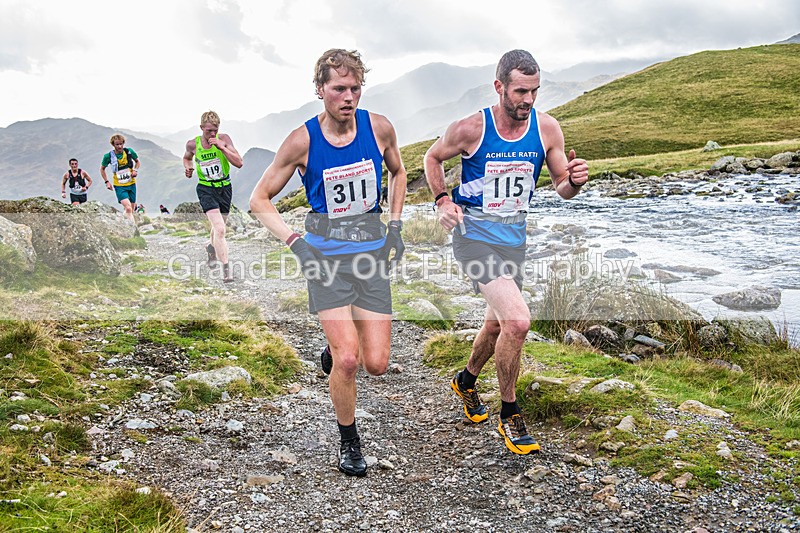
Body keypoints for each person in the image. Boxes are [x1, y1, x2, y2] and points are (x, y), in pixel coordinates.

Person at [424, 49, 589, 455]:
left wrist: (576, 182)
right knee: (517, 321)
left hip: (514, 241)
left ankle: (465, 381)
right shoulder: (470, 129)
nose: (528, 100)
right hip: (473, 237)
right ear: (499, 87)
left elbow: (560, 188)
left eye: (534, 91)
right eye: (520, 91)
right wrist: (443, 200)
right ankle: (510, 414)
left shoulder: (547, 129)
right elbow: (431, 157)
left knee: (498, 325)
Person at [250, 49, 407, 477]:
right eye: (339, 88)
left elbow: (398, 172)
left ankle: (333, 352)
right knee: (351, 361)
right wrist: (296, 242)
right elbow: (258, 200)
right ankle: (349, 441)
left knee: (376, 363)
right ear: (320, 90)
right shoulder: (302, 141)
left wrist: (394, 224)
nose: (349, 96)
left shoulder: (379, 128)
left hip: (371, 258)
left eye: (356, 88)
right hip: (325, 262)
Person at [183, 111, 243, 283]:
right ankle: (226, 270)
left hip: (224, 188)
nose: (212, 134)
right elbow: (187, 158)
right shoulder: (192, 144)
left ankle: (211, 248)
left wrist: (222, 147)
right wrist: (188, 168)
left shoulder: (224, 139)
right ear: (201, 128)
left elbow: (239, 162)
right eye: (208, 131)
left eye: (215, 130)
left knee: (218, 229)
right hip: (206, 189)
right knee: (221, 229)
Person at [100, 133, 140, 222]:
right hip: (119, 185)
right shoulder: (108, 156)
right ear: (113, 145)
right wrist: (107, 182)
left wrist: (135, 170)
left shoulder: (129, 152)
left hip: (131, 183)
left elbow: (137, 162)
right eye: (117, 144)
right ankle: (133, 228)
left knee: (131, 210)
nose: (119, 146)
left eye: (121, 144)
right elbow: (102, 169)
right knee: (128, 208)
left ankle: (124, 222)